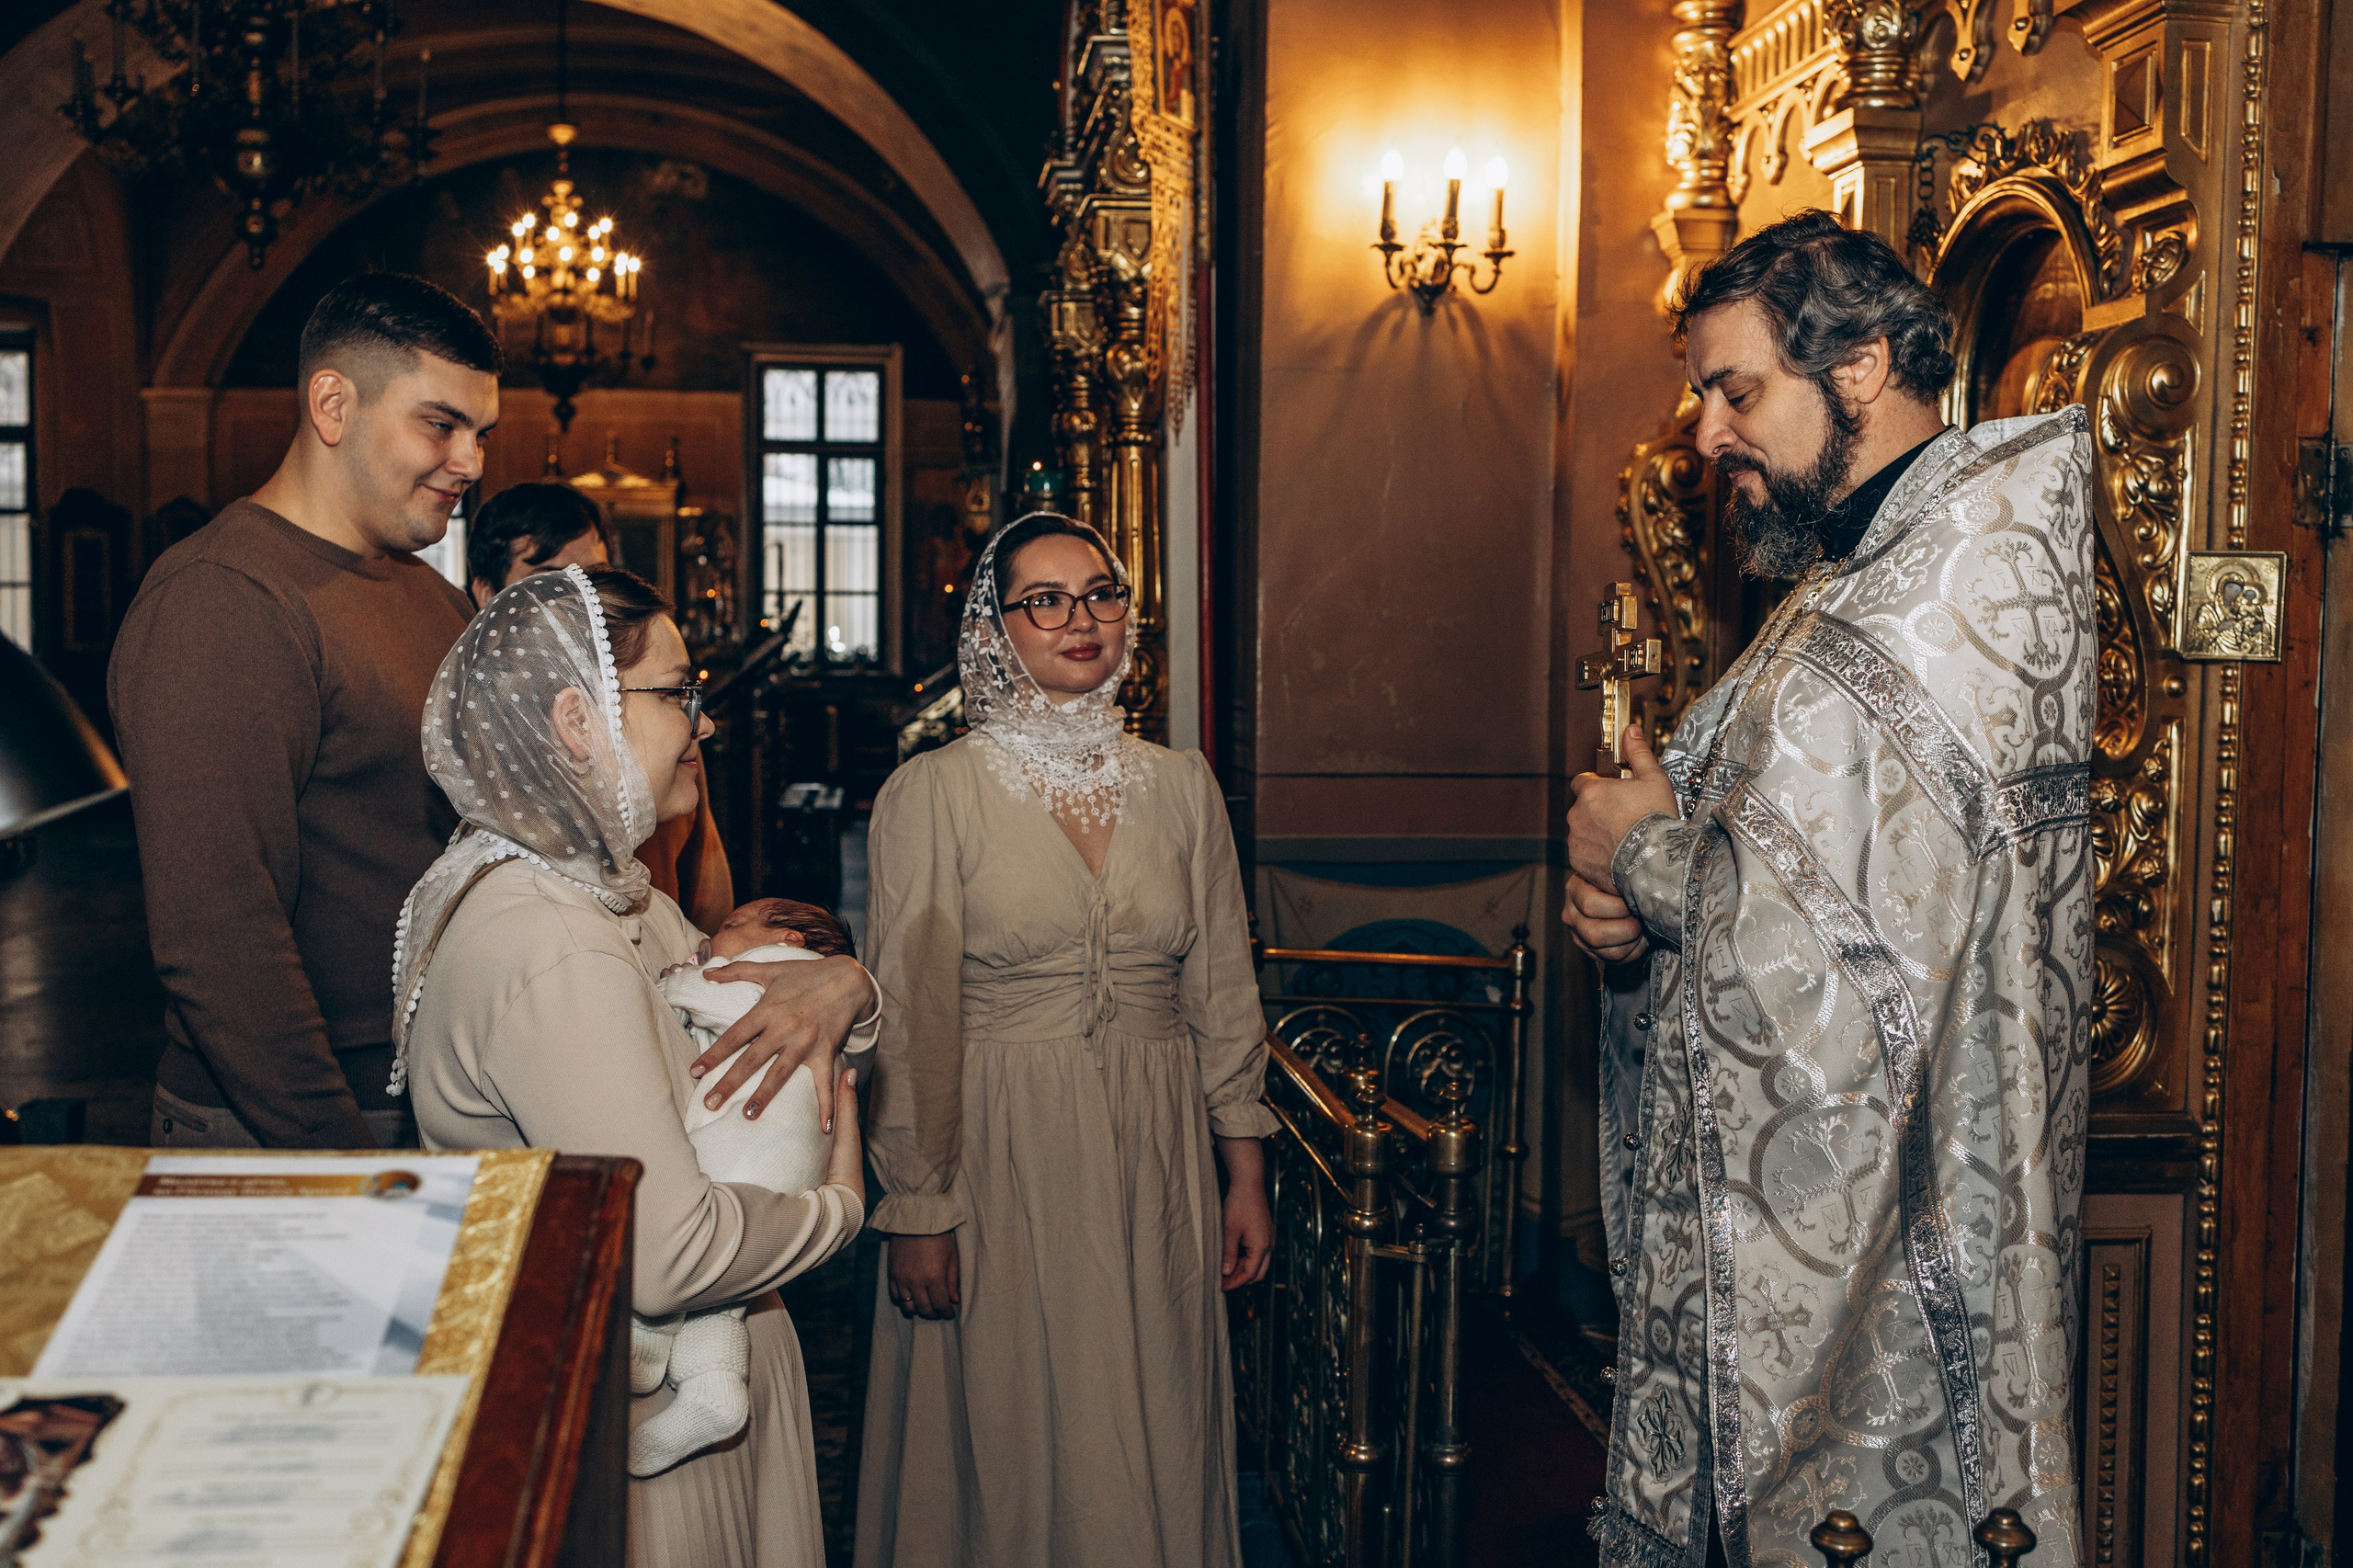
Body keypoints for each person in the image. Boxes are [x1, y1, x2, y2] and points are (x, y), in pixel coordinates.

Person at [1563, 210, 2094, 1566]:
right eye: (1703, 397)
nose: (1705, 434)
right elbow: (1775, 859)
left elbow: (1840, 952)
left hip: (1907, 1234)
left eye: (1736, 391)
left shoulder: (1941, 593)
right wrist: (1637, 907)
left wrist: (1641, 853)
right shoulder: (1850, 580)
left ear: (1857, 367)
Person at [394, 564, 870, 1568]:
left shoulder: (614, 894)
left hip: (689, 1376)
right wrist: (837, 1210)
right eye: (679, 694)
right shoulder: (550, 940)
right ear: (578, 718)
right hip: (634, 1414)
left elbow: (753, 1000)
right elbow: (671, 1252)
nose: (704, 725)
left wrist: (849, 990)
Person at [852, 513, 1278, 1568]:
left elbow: (1222, 986)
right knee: (1008, 1413)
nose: (1079, 619)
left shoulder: (1182, 786)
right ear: (996, 631)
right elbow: (909, 1013)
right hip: (999, 1147)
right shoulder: (935, 792)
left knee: (1156, 1402)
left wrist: (1245, 1172)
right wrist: (916, 1205)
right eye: (1044, 599)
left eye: (1100, 591)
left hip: (1155, 1144)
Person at [109, 273, 500, 1149]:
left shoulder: (429, 596)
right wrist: (340, 1161)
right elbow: (218, 936)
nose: (471, 461)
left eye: (480, 433)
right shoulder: (224, 598)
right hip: (292, 1112)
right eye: (440, 424)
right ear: (333, 403)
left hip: (429, 1086)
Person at [630, 897, 857, 1482]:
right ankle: (714, 1391)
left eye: (731, 926)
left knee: (691, 1245)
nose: (712, 938)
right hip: (786, 1168)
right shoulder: (820, 997)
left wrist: (676, 982)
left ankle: (644, 1346)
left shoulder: (778, 974)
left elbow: (717, 999)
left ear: (792, 942)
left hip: (748, 1148)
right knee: (722, 1297)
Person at [467, 480, 735, 931]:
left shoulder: (664, 730)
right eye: (551, 581)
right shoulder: (476, 746)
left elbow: (706, 893)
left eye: (596, 577)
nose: (581, 600)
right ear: (487, 594)